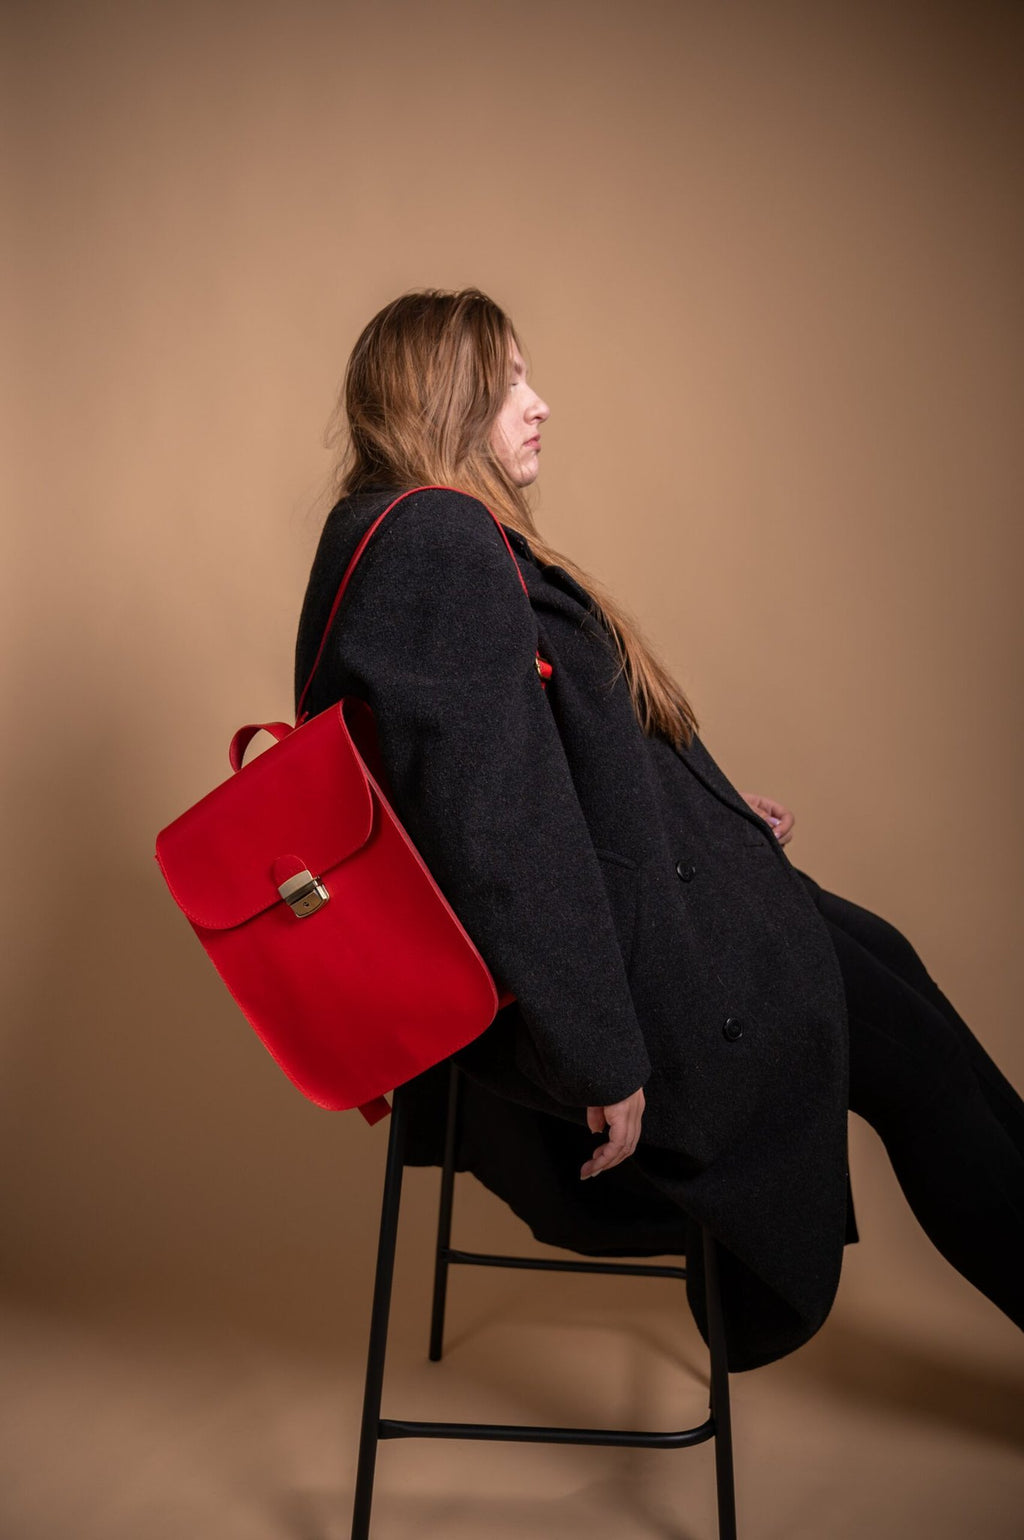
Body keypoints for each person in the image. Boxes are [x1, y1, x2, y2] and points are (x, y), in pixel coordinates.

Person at [294, 288, 1023, 1370]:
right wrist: (597, 1052)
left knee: (897, 981)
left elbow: (536, 755)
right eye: (510, 384)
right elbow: (496, 830)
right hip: (631, 981)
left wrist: (713, 810)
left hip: (667, 914)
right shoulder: (433, 542)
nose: (540, 405)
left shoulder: (407, 532)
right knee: (915, 1065)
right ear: (446, 398)